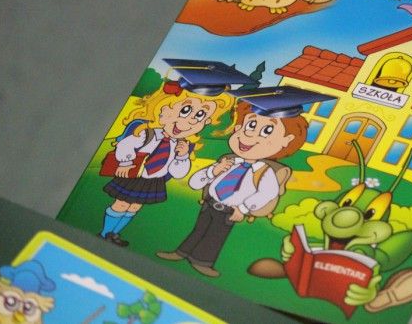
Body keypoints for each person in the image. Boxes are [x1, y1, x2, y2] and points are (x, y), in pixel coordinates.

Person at [157, 86, 335, 277]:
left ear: (286, 140)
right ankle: (181, 252)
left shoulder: (265, 172)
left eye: (267, 130)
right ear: (238, 127)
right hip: (209, 204)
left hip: (230, 212)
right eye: (249, 125)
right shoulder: (228, 161)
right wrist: (212, 171)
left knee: (216, 237)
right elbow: (195, 183)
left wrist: (242, 208)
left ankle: (203, 261)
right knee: (198, 230)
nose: (250, 135)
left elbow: (266, 194)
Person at [99, 59, 254, 247]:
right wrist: (125, 163)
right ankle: (105, 232)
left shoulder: (181, 145)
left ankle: (115, 233)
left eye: (200, 116)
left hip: (153, 180)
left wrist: (181, 156)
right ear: (164, 108)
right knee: (121, 204)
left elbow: (178, 172)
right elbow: (126, 145)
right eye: (185, 110)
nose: (190, 121)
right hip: (134, 175)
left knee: (134, 207)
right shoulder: (147, 133)